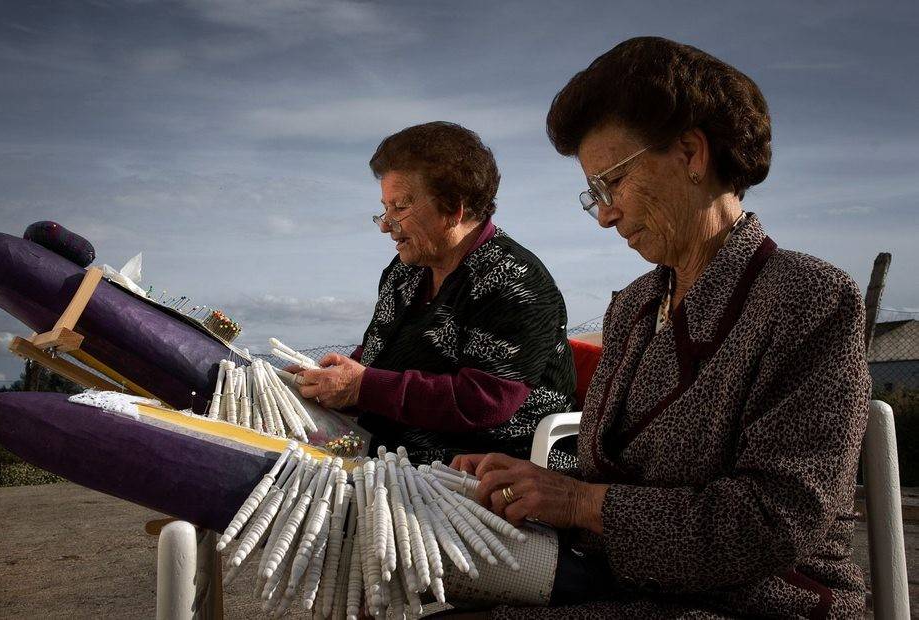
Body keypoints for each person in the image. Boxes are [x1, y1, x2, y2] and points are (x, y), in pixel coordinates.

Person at [453, 37, 871, 618]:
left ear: (692, 154)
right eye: (593, 193)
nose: (604, 215)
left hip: (753, 601)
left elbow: (776, 522)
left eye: (614, 183)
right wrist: (526, 485)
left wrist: (577, 503)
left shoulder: (806, 298)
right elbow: (612, 471)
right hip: (627, 582)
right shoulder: (634, 306)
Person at [295, 121, 577, 465]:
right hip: (387, 454)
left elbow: (485, 401)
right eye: (385, 209)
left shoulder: (514, 278)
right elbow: (379, 357)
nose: (385, 224)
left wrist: (361, 386)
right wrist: (331, 378)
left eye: (399, 208)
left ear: (452, 210)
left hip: (482, 471)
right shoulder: (406, 271)